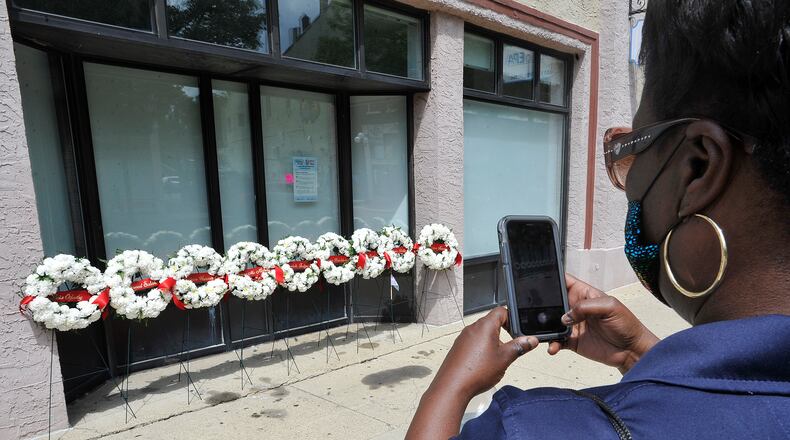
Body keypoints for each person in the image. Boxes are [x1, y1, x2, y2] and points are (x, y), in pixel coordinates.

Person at [406, 0, 790, 438]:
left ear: (698, 167)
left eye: (629, 150)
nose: (626, 183)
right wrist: (639, 355)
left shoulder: (537, 428)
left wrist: (448, 387)